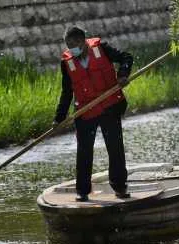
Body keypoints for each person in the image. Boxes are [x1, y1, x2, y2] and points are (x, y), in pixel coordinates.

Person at [54, 26, 134, 202]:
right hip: (85, 111)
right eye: (68, 45)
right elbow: (67, 92)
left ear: (83, 41)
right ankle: (82, 192)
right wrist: (59, 117)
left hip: (109, 107)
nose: (71, 49)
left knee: (115, 149)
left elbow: (126, 57)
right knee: (84, 152)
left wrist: (123, 74)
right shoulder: (66, 62)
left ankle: (120, 187)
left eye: (74, 44)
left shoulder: (102, 49)